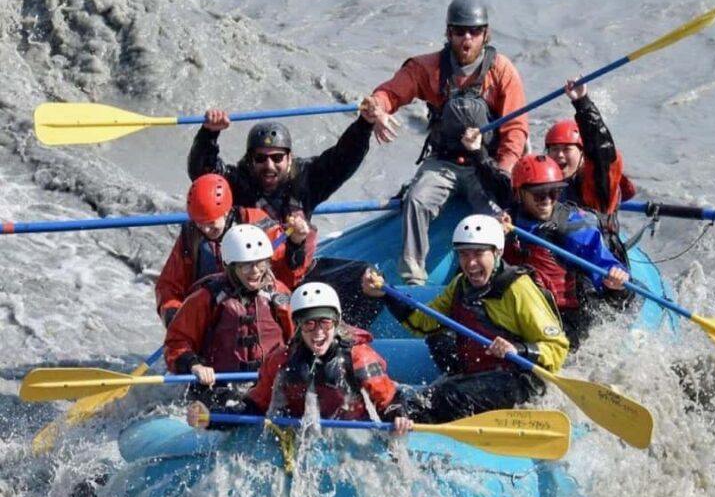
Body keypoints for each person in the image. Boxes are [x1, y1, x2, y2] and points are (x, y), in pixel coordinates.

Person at [368, 0, 528, 285]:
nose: (466, 38)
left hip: (484, 164)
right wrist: (378, 108)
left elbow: (515, 129)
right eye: (459, 31)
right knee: (416, 200)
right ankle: (413, 276)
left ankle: (497, 281)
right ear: (448, 33)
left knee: (498, 219)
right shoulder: (428, 67)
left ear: (485, 34)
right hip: (443, 162)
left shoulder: (502, 71)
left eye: (474, 32)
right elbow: (391, 92)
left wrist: (502, 172)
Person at [186, 108, 386, 327]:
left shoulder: (306, 178)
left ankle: (341, 338)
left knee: (366, 277)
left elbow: (342, 159)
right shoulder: (238, 182)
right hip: (253, 275)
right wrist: (209, 134)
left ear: (289, 158)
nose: (269, 166)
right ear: (250, 160)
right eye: (260, 158)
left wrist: (364, 124)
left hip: (299, 271)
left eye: (277, 157)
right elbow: (204, 176)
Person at [362, 215, 569, 423]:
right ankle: (455, 391)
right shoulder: (461, 284)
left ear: (497, 252)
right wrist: (387, 294)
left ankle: (447, 403)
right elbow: (422, 323)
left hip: (518, 379)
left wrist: (519, 349)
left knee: (447, 396)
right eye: (463, 254)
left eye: (479, 253)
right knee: (438, 340)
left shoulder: (518, 289)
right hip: (482, 371)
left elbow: (558, 347)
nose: (470, 263)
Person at [186, 282, 413, 434]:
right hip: (302, 435)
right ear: (298, 327)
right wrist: (212, 418)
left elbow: (390, 401)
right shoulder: (280, 362)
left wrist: (399, 416)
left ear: (336, 323)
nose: (318, 332)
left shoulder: (358, 357)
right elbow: (254, 406)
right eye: (309, 324)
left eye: (325, 322)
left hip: (353, 433)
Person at [502, 154, 632, 349]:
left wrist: (616, 280)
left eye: (553, 193)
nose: (546, 200)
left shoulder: (573, 228)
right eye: (539, 194)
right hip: (516, 313)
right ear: (519, 193)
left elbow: (604, 263)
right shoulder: (505, 222)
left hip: (562, 319)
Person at [155, 173, 314, 327]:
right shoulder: (191, 237)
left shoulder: (258, 226)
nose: (205, 229)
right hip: (210, 320)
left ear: (226, 211)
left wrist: (296, 245)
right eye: (199, 223)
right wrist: (173, 315)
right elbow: (169, 286)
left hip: (257, 314)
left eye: (211, 223)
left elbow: (289, 276)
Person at [165, 224, 293, 405]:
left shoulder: (279, 296)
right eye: (246, 266)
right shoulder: (207, 298)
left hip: (268, 383)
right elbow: (176, 342)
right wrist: (195, 365)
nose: (255, 271)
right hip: (220, 384)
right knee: (228, 405)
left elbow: (300, 337)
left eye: (260, 263)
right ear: (231, 267)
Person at [544, 79, 636, 248]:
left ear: (582, 155)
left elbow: (601, 151)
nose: (559, 155)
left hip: (597, 257)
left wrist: (582, 103)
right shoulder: (542, 188)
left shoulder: (595, 186)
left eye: (566, 149)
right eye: (554, 149)